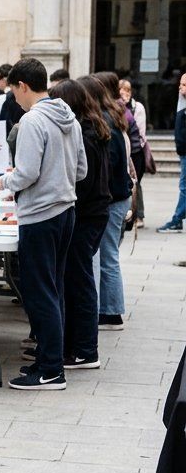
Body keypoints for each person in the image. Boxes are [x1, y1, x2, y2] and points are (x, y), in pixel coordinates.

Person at [0, 58, 86, 391]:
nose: (15, 99)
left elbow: (27, 173)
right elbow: (81, 171)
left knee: (39, 292)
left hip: (40, 215)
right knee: (53, 288)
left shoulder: (33, 120)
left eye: (14, 91)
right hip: (65, 211)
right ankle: (50, 359)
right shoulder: (69, 117)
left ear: (22, 86)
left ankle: (50, 370)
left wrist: (3, 182)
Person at [44, 77, 111, 374]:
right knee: (74, 279)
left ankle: (85, 350)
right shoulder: (88, 128)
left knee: (80, 281)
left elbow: (82, 180)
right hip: (91, 212)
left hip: (87, 215)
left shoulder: (85, 133)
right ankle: (71, 345)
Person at [82, 75, 134, 331]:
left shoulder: (105, 121)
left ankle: (112, 313)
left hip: (113, 198)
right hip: (117, 196)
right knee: (107, 254)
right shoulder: (112, 116)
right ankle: (109, 309)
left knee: (108, 255)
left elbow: (110, 165)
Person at [110, 74, 149, 230]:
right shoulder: (115, 106)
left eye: (127, 90)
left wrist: (125, 108)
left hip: (136, 151)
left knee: (135, 183)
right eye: (121, 89)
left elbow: (140, 131)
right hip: (123, 150)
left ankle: (138, 215)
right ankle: (129, 213)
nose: (124, 93)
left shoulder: (137, 107)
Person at [160, 72, 186, 233]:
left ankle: (177, 219)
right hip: (183, 152)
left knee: (184, 187)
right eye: (180, 84)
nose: (180, 87)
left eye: (184, 85)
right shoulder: (182, 102)